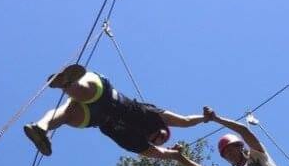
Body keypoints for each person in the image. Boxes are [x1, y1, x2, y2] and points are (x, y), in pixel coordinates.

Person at [23, 64, 205, 159]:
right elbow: (185, 121)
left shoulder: (138, 144)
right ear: (162, 127)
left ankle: (40, 127)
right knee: (85, 94)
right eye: (162, 135)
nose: (158, 138)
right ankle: (69, 83)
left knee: (67, 115)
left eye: (158, 141)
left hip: (95, 118)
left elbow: (164, 154)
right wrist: (206, 118)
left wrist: (175, 154)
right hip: (106, 96)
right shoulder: (152, 116)